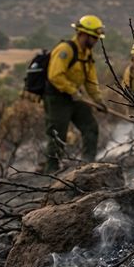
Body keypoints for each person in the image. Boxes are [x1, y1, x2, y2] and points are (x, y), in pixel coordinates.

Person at [44, 15, 107, 172]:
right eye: (94, 37)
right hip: (57, 98)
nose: (96, 41)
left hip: (74, 97)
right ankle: (51, 172)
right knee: (57, 135)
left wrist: (98, 100)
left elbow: (91, 81)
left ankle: (87, 165)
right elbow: (55, 75)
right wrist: (72, 91)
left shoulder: (87, 55)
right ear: (83, 34)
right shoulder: (65, 50)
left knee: (91, 127)